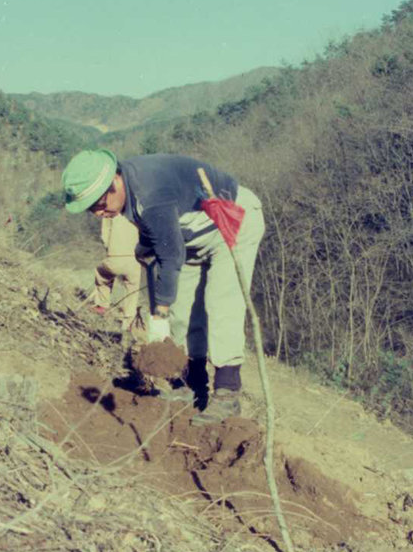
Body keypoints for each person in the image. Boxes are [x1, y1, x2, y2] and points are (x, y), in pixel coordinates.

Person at [62, 149, 265, 425]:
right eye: (91, 209)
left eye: (98, 205)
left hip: (231, 220)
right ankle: (191, 387)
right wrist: (143, 252)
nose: (98, 214)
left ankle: (227, 394)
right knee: (182, 310)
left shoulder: (149, 191)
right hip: (191, 236)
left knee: (221, 304)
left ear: (115, 183)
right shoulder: (128, 194)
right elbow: (157, 238)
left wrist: (158, 314)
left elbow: (170, 256)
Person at [91, 214, 142, 333]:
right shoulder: (137, 211)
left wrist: (109, 248)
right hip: (134, 259)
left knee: (101, 273)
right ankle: (128, 321)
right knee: (132, 289)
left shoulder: (111, 212)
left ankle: (102, 304)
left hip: (115, 256)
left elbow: (104, 235)